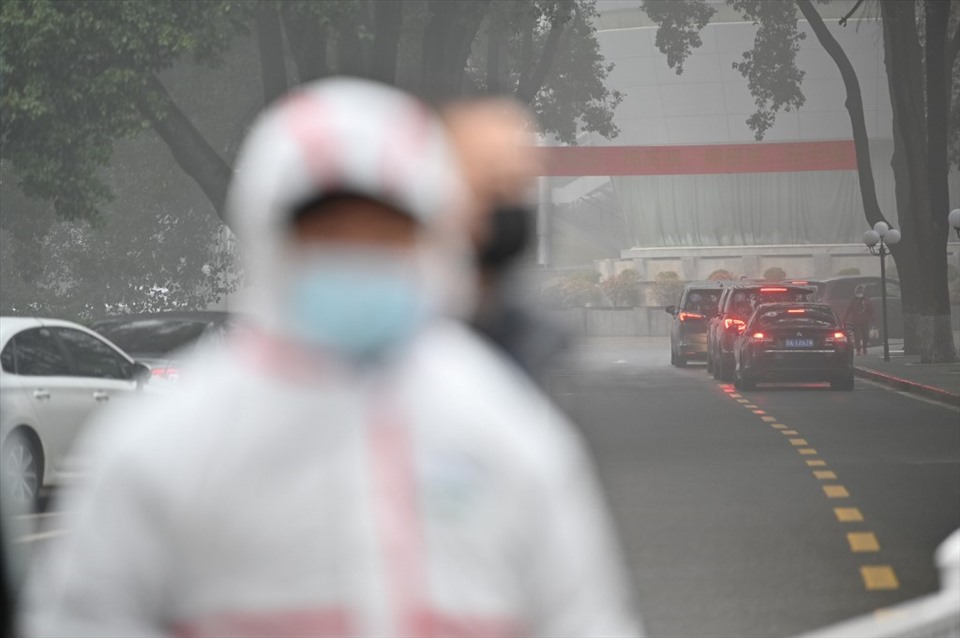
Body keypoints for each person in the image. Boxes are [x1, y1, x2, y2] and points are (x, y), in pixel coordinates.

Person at [22, 79, 641, 638]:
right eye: (329, 234)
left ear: (430, 237)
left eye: (384, 233)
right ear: (269, 237)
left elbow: (582, 618)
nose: (357, 256)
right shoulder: (163, 445)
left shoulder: (505, 429)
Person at [443, 98, 571, 385]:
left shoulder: (535, 341)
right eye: (492, 186)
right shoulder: (397, 329)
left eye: (517, 186)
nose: (507, 205)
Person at [842, 285, 874, 355]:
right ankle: (858, 350)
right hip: (855, 321)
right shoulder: (852, 301)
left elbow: (870, 310)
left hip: (865, 321)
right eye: (858, 292)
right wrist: (844, 319)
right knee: (857, 337)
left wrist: (872, 318)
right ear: (855, 292)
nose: (859, 293)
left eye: (861, 291)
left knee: (865, 335)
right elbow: (847, 310)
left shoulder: (867, 301)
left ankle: (864, 348)